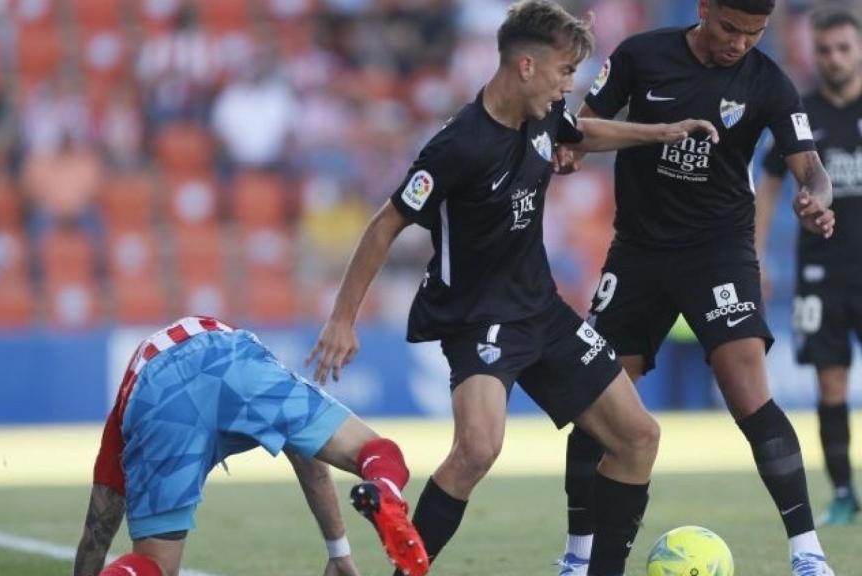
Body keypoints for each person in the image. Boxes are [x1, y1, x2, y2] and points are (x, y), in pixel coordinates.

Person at [307, 2, 720, 575]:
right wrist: (343, 319)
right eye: (563, 72)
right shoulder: (459, 145)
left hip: (542, 310)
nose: (568, 85)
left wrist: (661, 133)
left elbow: (581, 131)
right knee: (478, 449)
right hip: (477, 318)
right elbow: (386, 223)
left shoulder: (545, 114)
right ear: (526, 66)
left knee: (638, 437)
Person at [554, 0, 838, 574]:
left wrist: (817, 200)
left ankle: (808, 552)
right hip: (637, 251)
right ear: (705, 9)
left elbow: (811, 166)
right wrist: (641, 135)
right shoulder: (641, 55)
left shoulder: (769, 81)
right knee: (597, 404)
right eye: (731, 28)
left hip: (719, 252)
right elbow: (581, 130)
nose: (739, 43)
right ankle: (577, 557)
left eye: (753, 34)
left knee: (749, 395)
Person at [73, 316, 430, 576]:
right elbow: (308, 457)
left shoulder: (120, 419)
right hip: (232, 355)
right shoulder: (249, 356)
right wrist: (338, 551)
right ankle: (386, 491)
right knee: (375, 451)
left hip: (156, 389)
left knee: (152, 566)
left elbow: (98, 525)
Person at [756, 7, 862, 527]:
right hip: (821, 273)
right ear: (813, 52)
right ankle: (843, 492)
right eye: (825, 50)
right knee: (830, 385)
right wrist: (754, 254)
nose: (835, 58)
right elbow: (770, 182)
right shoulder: (800, 117)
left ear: (859, 49)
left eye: (844, 48)